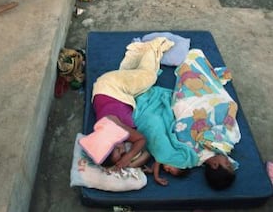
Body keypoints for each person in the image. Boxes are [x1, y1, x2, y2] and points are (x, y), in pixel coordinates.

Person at [90, 37, 175, 169]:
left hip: (111, 87)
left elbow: (141, 140)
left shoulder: (111, 127)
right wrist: (126, 164)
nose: (123, 150)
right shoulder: (110, 138)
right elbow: (146, 153)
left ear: (109, 142)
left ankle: (153, 46)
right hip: (112, 93)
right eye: (121, 153)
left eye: (118, 150)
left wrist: (128, 157)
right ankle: (142, 57)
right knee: (139, 80)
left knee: (149, 77)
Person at [172, 49, 241, 190]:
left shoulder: (191, 156)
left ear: (215, 165)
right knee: (225, 104)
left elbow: (178, 133)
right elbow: (228, 127)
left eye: (227, 164)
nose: (229, 161)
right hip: (210, 108)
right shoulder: (223, 147)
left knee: (193, 59)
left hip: (188, 108)